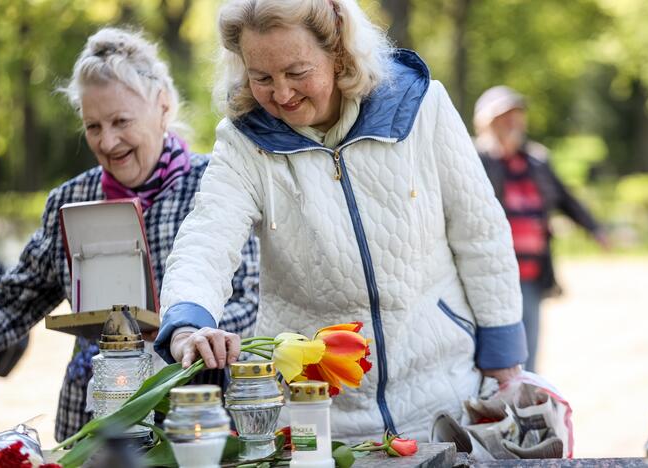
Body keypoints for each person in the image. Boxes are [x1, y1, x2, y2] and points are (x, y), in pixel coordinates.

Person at [154, 0, 527, 442]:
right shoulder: (243, 142)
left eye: (296, 72)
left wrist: (503, 353)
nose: (282, 94)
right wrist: (188, 321)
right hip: (314, 409)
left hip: (442, 395)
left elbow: (480, 232)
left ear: (338, 50)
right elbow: (206, 239)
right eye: (262, 77)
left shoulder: (423, 106)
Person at [0, 27, 260, 441]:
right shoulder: (72, 198)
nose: (107, 141)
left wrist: (179, 331)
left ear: (163, 106)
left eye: (121, 121)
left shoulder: (217, 185)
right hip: (93, 422)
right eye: (93, 126)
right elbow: (16, 297)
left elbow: (249, 299)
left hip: (194, 417)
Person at [474, 85, 608, 372]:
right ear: (486, 121)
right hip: (490, 274)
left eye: (516, 114)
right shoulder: (474, 159)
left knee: (527, 351)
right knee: (493, 355)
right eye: (503, 115)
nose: (512, 121)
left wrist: (595, 229)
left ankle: (524, 411)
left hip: (532, 272)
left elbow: (565, 198)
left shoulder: (536, 160)